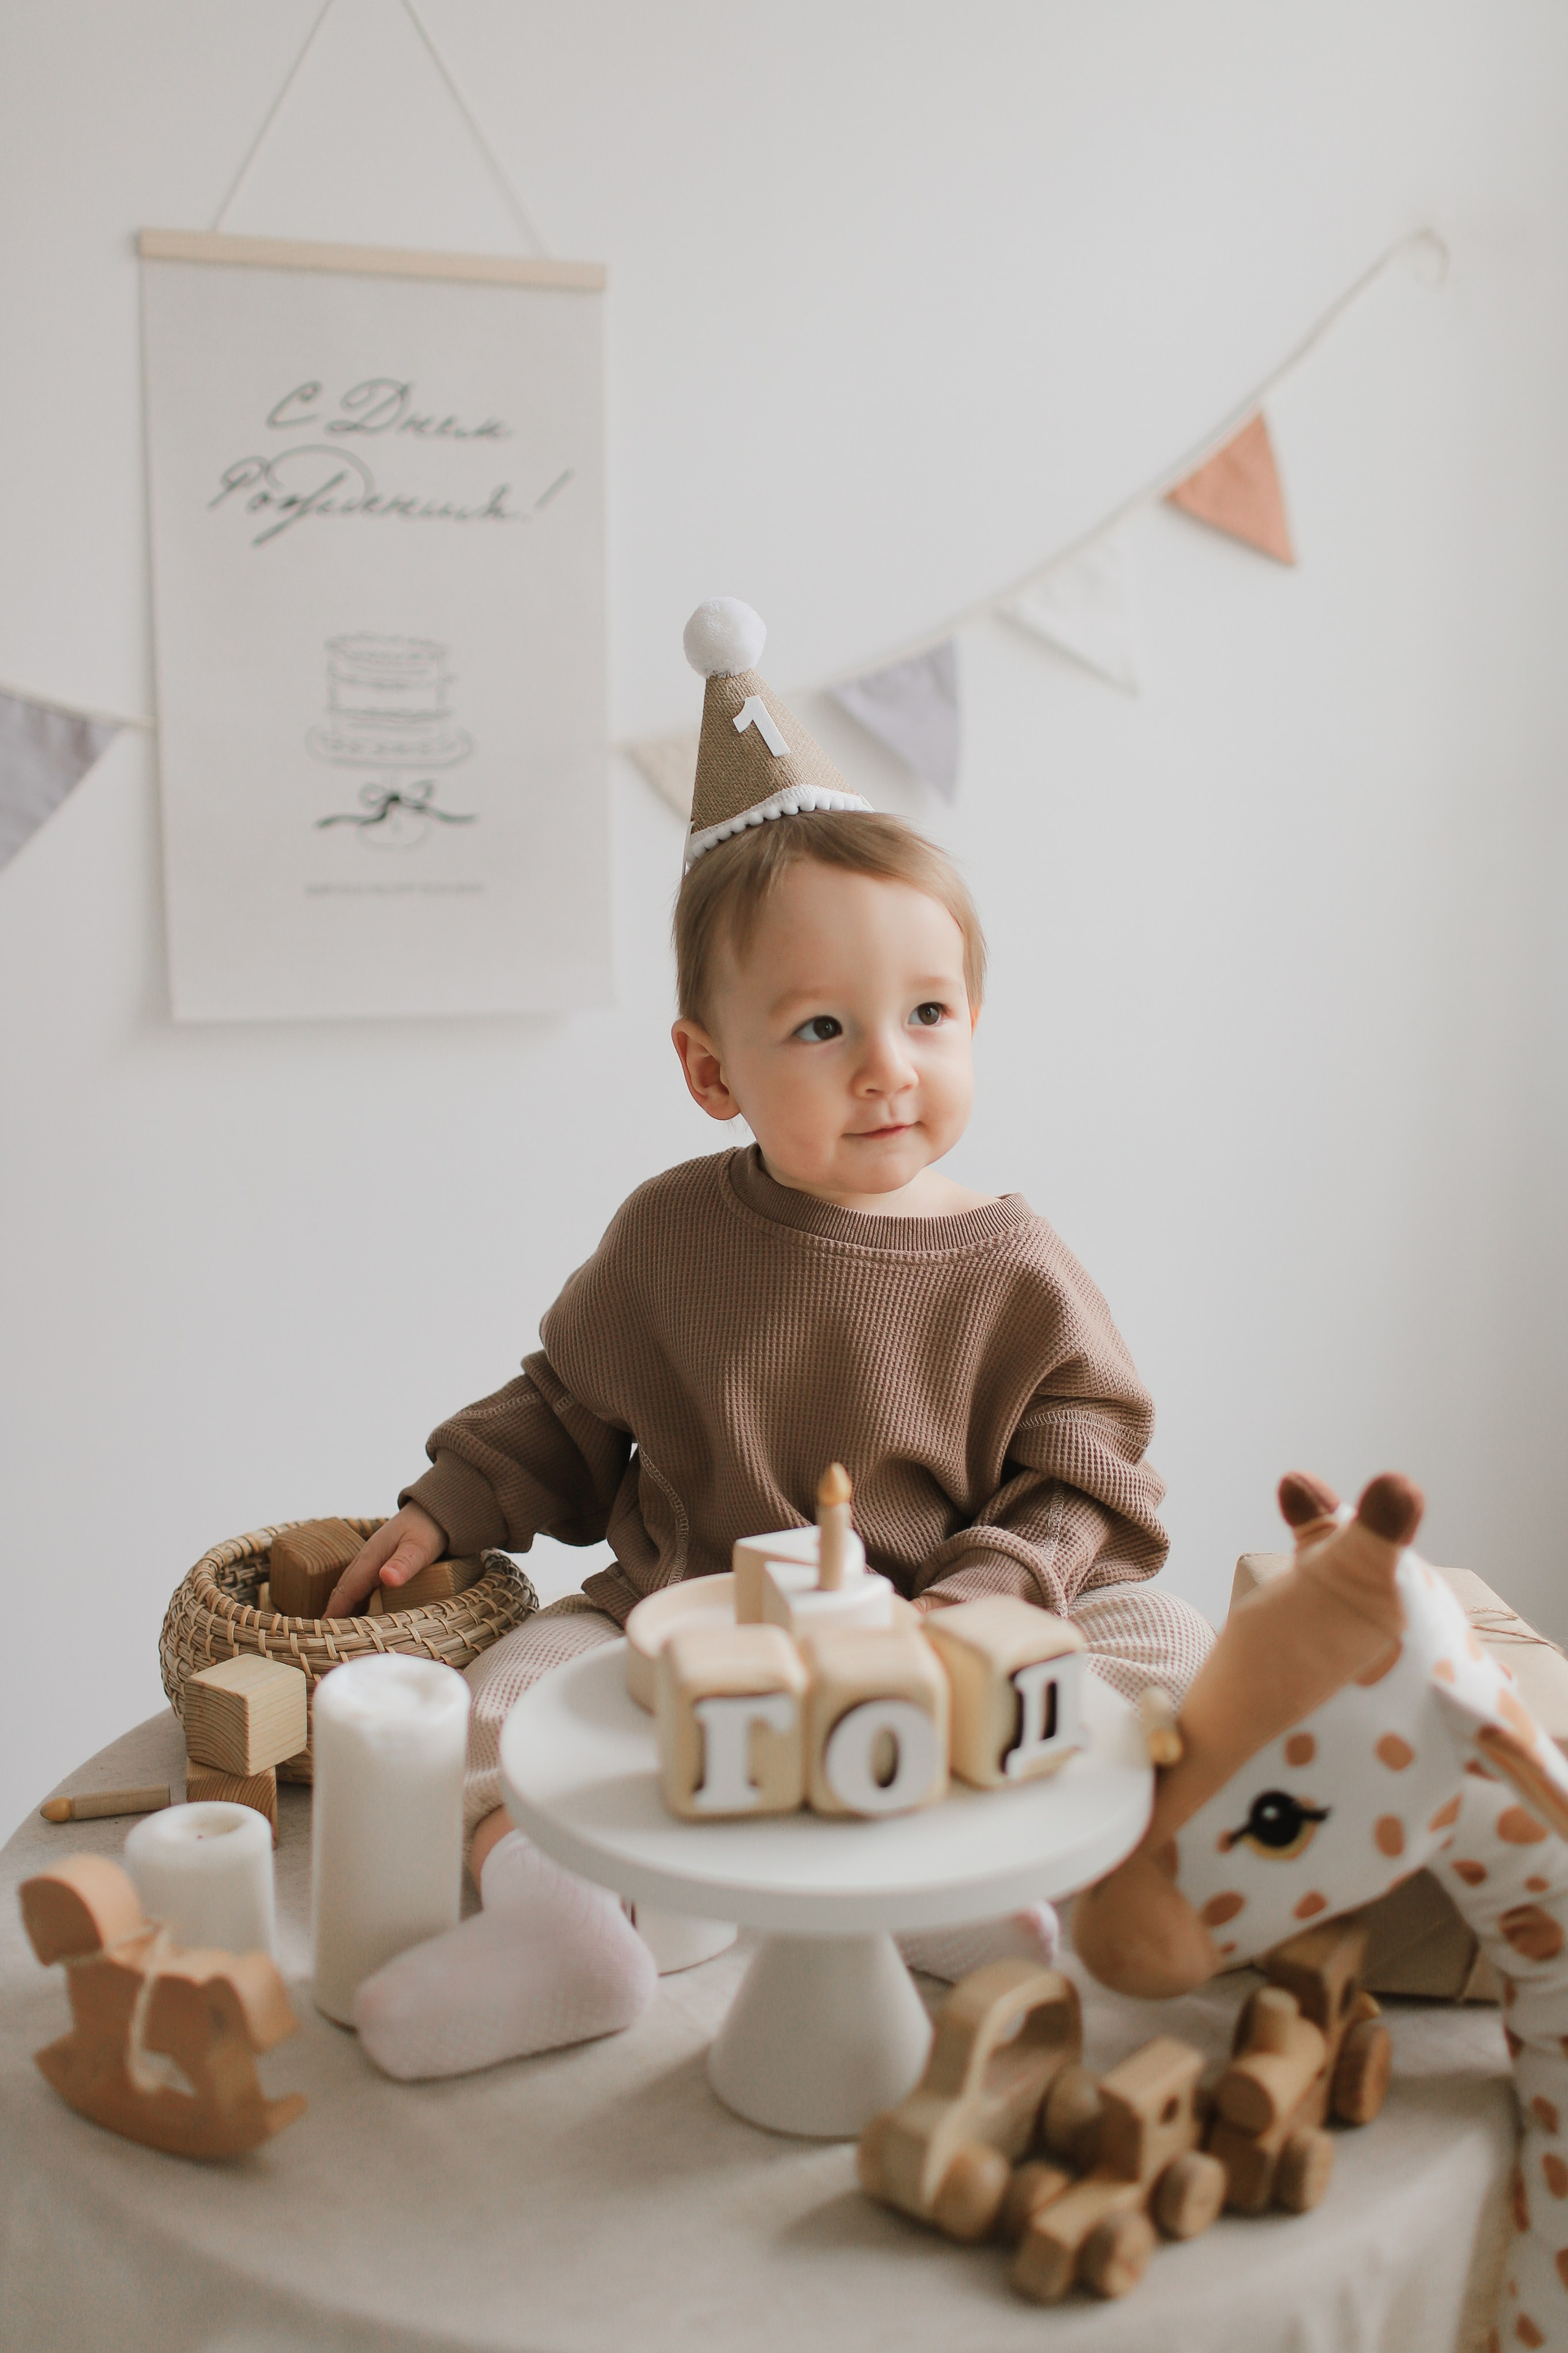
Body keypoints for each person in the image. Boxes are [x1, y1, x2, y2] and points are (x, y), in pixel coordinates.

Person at [335, 600, 1213, 2081]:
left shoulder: (1011, 1263)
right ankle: (560, 1928)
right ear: (708, 1070)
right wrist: (449, 1502)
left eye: (926, 1013)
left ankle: (950, 1883)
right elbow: (567, 1407)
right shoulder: (671, 1235)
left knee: (1166, 1649)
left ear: (973, 1020)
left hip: (935, 1629)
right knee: (495, 1701)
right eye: (821, 1028)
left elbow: (1085, 1468)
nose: (887, 1066)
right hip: (691, 1620)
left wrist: (993, 1595)